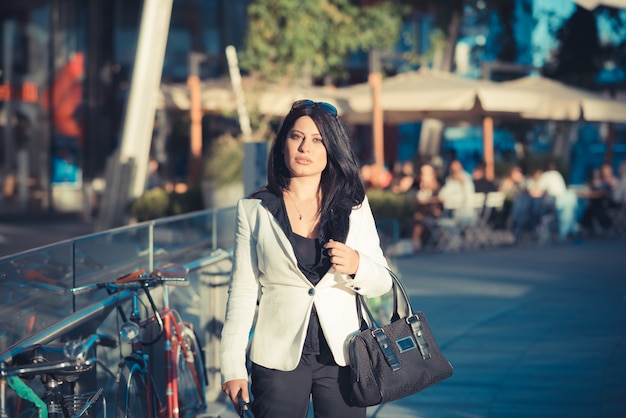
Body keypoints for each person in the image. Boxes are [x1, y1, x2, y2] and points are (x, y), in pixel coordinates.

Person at [220, 100, 392, 418]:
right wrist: (232, 366)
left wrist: (357, 265)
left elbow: (382, 280)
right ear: (283, 144)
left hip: (344, 356)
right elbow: (242, 292)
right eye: (296, 137)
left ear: (331, 149)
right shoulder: (254, 209)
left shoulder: (353, 204)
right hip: (277, 357)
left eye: (317, 140)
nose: (305, 147)